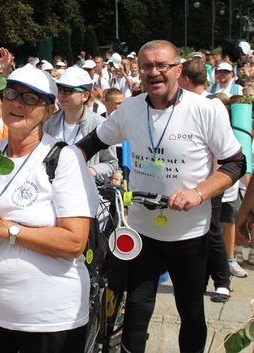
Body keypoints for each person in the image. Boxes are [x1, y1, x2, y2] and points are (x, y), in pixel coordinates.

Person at [76, 40, 246, 353]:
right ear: (139, 71)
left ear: (178, 70)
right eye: (147, 67)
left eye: (161, 66)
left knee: (191, 309)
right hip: (143, 231)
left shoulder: (205, 109)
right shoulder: (130, 108)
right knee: (138, 309)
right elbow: (91, 143)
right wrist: (58, 162)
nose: (154, 72)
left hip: (190, 233)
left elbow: (236, 162)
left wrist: (198, 193)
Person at [0, 63, 99, 353]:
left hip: (49, 320)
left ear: (49, 111)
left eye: (31, 98)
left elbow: (75, 241)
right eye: (12, 93)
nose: (17, 102)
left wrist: (6, 229)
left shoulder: (64, 158)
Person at [178, 59, 236, 301]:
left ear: (186, 79)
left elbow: (221, 151)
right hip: (195, 183)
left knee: (212, 232)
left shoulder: (211, 105)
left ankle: (222, 281)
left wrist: (210, 184)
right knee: (198, 234)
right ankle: (199, 280)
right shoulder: (194, 102)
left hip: (210, 183)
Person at [43, 66, 118, 185]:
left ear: (85, 95)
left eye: (68, 90)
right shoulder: (49, 122)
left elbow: (111, 163)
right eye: (59, 88)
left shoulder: (101, 125)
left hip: (84, 193)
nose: (61, 94)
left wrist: (91, 171)